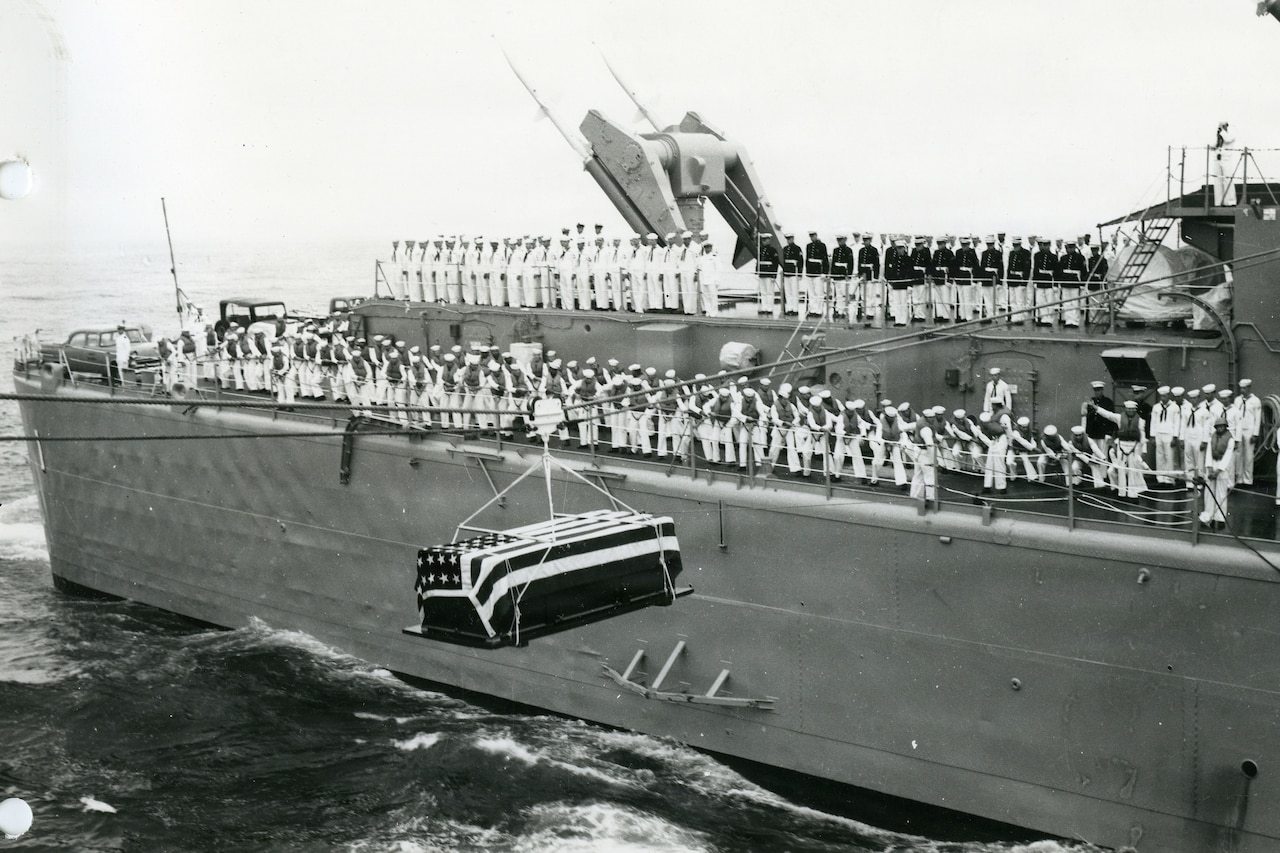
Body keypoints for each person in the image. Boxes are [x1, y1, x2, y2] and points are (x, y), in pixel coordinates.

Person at [1200, 417, 1235, 527]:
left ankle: (1220, 519)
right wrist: (1210, 469)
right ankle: (1207, 517)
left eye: (1222, 426)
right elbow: (1209, 453)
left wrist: (1218, 471)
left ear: (1225, 427)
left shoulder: (1230, 439)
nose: (1220, 428)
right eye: (1218, 426)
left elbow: (1227, 457)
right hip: (1212, 465)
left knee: (1220, 493)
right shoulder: (1212, 437)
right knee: (1209, 493)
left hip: (1222, 468)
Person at [803, 230, 830, 317]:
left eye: (813, 236)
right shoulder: (808, 246)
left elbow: (825, 259)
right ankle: (813, 309)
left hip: (818, 272)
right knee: (811, 293)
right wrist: (806, 271)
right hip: (810, 272)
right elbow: (807, 259)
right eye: (810, 236)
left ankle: (819, 310)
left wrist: (824, 272)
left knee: (819, 292)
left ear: (816, 235)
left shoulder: (822, 246)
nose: (812, 237)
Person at [930, 236, 956, 322]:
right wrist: (933, 276)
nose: (939, 245)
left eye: (941, 243)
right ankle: (939, 314)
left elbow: (952, 267)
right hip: (938, 276)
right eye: (938, 243)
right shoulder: (936, 253)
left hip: (945, 276)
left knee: (945, 297)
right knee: (938, 297)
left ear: (945, 244)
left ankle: (946, 315)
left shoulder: (949, 253)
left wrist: (950, 280)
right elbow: (933, 265)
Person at [857, 233, 881, 324]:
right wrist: (859, 274)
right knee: (863, 295)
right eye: (864, 240)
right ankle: (865, 310)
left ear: (870, 240)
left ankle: (870, 312)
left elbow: (876, 264)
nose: (865, 242)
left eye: (867, 240)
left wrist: (875, 276)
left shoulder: (874, 250)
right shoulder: (861, 251)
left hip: (870, 274)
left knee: (870, 294)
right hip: (863, 274)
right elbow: (859, 263)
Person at [1212, 121, 1237, 206]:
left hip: (1226, 159)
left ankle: (1230, 201)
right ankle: (1218, 202)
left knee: (1227, 180)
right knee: (1218, 181)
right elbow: (1213, 145)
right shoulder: (1220, 134)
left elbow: (1228, 139)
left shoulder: (1231, 133)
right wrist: (1217, 136)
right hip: (1217, 158)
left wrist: (1222, 131)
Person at [830, 234, 855, 319]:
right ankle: (839, 310)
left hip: (844, 275)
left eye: (841, 240)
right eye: (838, 240)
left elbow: (850, 264)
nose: (839, 242)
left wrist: (849, 275)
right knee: (838, 295)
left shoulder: (848, 250)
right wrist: (832, 275)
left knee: (845, 294)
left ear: (845, 240)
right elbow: (833, 263)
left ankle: (844, 311)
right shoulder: (835, 250)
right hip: (837, 275)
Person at [756, 234, 780, 315]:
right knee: (763, 292)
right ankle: (764, 307)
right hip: (762, 273)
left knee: (769, 292)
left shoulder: (773, 250)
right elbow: (758, 261)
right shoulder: (760, 249)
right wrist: (757, 272)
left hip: (769, 273)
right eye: (762, 240)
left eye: (765, 240)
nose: (763, 242)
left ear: (768, 240)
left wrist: (774, 275)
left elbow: (775, 263)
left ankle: (769, 308)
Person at [781, 233, 804, 316]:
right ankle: (789, 308)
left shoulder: (797, 249)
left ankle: (795, 309)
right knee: (788, 292)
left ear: (793, 238)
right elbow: (784, 261)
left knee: (794, 291)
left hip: (794, 272)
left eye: (790, 239)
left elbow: (801, 261)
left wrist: (800, 273)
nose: (789, 240)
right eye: (787, 239)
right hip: (787, 272)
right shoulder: (785, 249)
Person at [696, 241, 721, 316]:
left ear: (711, 247)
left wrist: (717, 281)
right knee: (705, 297)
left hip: (712, 280)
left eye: (709, 247)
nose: (707, 249)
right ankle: (708, 311)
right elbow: (700, 269)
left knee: (713, 297)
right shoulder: (702, 258)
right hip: (704, 280)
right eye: (706, 247)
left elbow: (718, 270)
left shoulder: (715, 257)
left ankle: (714, 312)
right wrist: (700, 280)